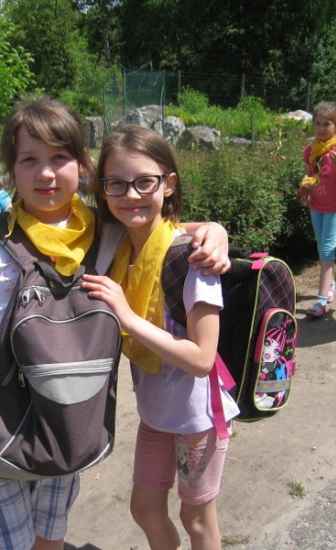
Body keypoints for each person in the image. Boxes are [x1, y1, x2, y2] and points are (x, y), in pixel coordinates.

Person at [0, 96, 231, 550]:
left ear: (82, 165)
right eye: (29, 160)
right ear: (9, 171)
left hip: (66, 414)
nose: (46, 173)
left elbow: (154, 224)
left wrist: (213, 230)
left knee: (50, 532)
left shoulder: (101, 232)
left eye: (59, 157)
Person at [81, 125, 239, 550]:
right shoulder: (116, 245)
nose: (131, 194)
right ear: (103, 190)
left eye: (144, 182)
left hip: (198, 420)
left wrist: (127, 316)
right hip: (156, 414)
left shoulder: (195, 261)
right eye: (116, 183)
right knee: (146, 509)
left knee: (196, 518)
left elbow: (202, 358)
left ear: (168, 184)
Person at [297, 101, 336, 318]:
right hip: (316, 205)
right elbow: (309, 175)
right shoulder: (311, 150)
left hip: (335, 206)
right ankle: (330, 284)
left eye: (327, 124)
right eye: (318, 124)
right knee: (321, 247)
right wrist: (305, 187)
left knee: (327, 249)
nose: (321, 128)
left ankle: (321, 301)